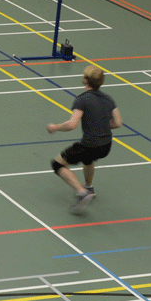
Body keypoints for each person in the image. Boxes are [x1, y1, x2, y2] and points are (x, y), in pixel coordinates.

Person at [45, 66, 122, 214]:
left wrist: (55, 127)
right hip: (106, 146)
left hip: (89, 145)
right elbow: (118, 123)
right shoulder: (108, 99)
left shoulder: (82, 99)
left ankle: (81, 192)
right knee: (88, 159)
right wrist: (101, 126)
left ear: (85, 80)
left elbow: (72, 124)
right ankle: (89, 186)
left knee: (57, 164)